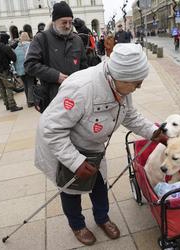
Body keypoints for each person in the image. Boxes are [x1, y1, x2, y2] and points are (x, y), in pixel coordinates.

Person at [34, 43, 167, 246]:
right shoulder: (81, 89)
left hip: (93, 145)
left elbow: (129, 114)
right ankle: (77, 225)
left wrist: (153, 132)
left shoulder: (122, 86)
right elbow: (51, 128)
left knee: (99, 184)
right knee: (71, 189)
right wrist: (75, 162)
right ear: (118, 77)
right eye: (136, 83)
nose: (139, 87)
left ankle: (102, 218)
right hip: (67, 146)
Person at [24, 1, 87, 103]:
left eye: (70, 22)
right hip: (52, 98)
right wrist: (55, 76)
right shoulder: (41, 39)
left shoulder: (77, 40)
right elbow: (30, 65)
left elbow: (84, 66)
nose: (68, 26)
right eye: (64, 22)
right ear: (54, 21)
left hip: (76, 96)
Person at [0, 33, 23, 112]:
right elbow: (14, 58)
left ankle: (7, 105)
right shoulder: (5, 47)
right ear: (6, 39)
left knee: (1, 88)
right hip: (4, 70)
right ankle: (12, 106)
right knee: (9, 87)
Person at [14, 32, 35, 107]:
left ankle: (28, 100)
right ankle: (31, 101)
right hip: (28, 68)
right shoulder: (30, 46)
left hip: (20, 70)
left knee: (26, 85)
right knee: (30, 84)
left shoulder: (17, 48)